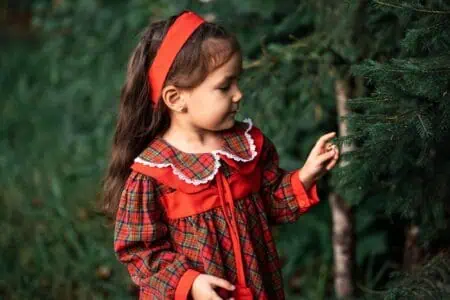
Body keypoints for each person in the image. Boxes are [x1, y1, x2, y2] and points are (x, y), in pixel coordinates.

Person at [101, 10, 339, 300]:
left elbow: (269, 202)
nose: (238, 94)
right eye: (225, 86)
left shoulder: (246, 147)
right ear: (176, 98)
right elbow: (138, 250)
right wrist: (190, 282)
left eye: (237, 82)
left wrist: (306, 175)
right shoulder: (154, 172)